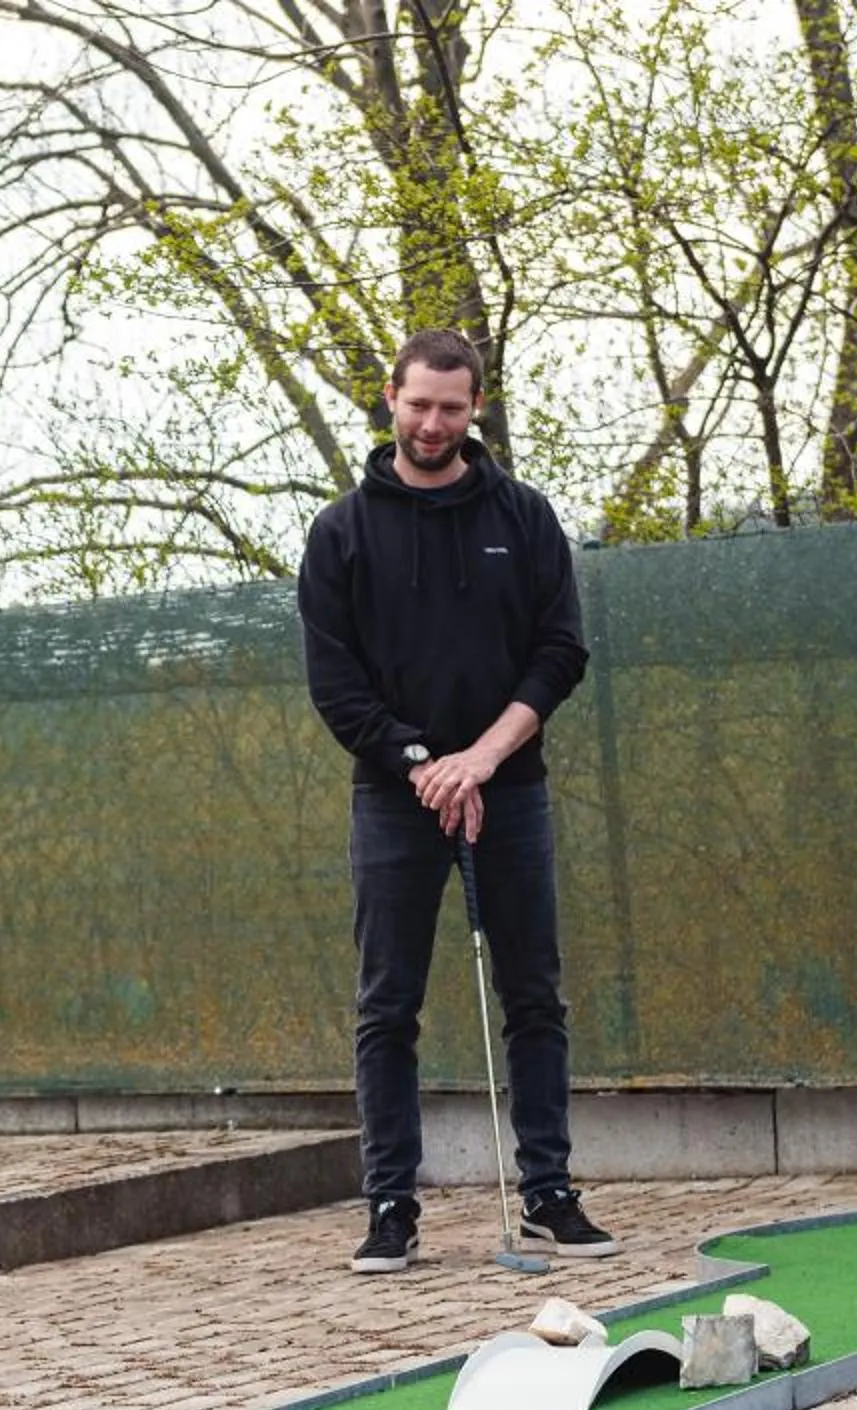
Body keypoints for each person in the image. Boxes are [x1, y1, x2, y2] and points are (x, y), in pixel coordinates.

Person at [299, 327, 618, 1274]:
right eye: (418, 404)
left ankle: (550, 1192)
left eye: (452, 406)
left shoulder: (523, 517)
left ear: (474, 407)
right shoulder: (342, 532)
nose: (433, 422)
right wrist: (422, 765)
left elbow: (561, 652)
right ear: (390, 400)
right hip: (395, 802)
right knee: (386, 1006)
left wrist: (479, 759)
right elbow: (336, 683)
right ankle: (391, 1204)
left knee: (535, 997)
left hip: (509, 788)